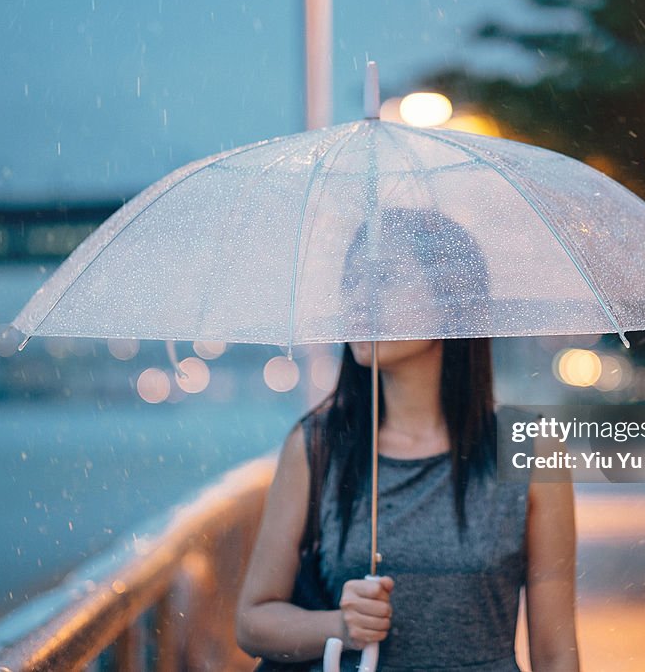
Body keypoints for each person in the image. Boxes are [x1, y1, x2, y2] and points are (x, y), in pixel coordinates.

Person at [236, 208, 580, 671]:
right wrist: (339, 626)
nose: (358, 299)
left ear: (452, 302)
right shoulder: (317, 446)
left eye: (383, 279)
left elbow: (556, 654)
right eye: (351, 282)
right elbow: (252, 622)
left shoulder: (530, 447)